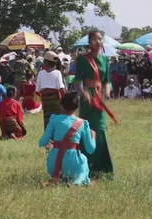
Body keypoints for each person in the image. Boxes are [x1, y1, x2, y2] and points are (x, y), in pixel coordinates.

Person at [74, 28, 115, 178]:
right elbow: (77, 82)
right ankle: (86, 167)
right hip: (87, 101)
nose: (98, 41)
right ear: (89, 42)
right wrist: (84, 94)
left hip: (99, 99)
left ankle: (103, 168)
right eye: (95, 39)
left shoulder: (105, 60)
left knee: (101, 130)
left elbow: (106, 81)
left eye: (100, 39)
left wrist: (107, 92)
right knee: (87, 130)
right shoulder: (83, 59)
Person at [39, 92, 96, 186]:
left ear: (61, 105)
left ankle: (57, 178)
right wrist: (93, 136)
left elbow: (43, 141)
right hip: (74, 163)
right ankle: (77, 181)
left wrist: (46, 143)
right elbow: (90, 149)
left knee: (55, 165)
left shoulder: (54, 119)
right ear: (77, 107)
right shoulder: (83, 124)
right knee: (84, 160)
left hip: (54, 163)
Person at [36, 51, 65, 129]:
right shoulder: (57, 73)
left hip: (46, 101)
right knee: (58, 121)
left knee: (47, 121)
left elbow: (37, 90)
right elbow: (61, 88)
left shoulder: (40, 73)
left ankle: (48, 139)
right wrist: (65, 100)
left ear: (45, 62)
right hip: (55, 100)